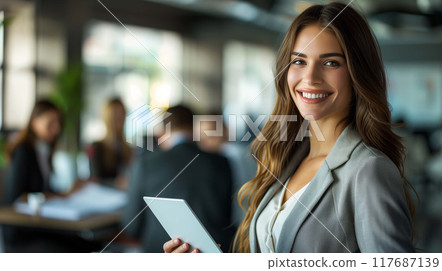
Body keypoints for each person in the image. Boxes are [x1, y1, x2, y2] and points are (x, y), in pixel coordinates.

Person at [164, 2, 416, 253]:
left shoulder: (368, 170)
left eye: (330, 63)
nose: (310, 77)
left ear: (357, 73)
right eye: (299, 61)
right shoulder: (287, 157)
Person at [122, 105, 235, 252]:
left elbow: (131, 227)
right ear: (194, 128)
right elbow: (228, 218)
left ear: (162, 132)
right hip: (212, 255)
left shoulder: (145, 164)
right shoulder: (222, 163)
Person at [4, 100, 63, 204]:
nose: (57, 129)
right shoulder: (23, 152)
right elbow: (16, 197)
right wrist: (62, 195)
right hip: (19, 217)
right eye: (51, 122)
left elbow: (44, 189)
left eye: (58, 122)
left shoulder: (43, 150)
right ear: (34, 122)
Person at [86, 98, 132, 190]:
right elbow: (94, 180)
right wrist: (116, 183)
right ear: (107, 118)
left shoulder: (129, 149)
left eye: (121, 114)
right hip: (106, 197)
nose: (119, 119)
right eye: (115, 115)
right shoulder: (96, 147)